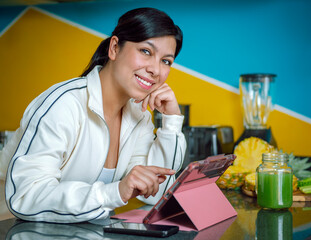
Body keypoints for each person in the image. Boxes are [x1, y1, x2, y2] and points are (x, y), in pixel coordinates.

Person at [0, 7, 186, 223]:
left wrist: (171, 121)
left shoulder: (139, 117)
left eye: (166, 61)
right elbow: (25, 198)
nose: (156, 69)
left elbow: (156, 193)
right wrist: (114, 192)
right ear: (115, 48)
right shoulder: (64, 104)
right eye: (146, 51)